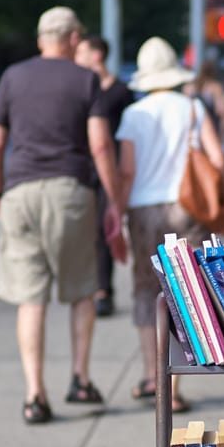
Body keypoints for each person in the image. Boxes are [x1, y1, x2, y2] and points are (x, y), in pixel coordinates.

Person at [0, 6, 123, 425]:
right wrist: (114, 202)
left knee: (31, 298)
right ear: (71, 38)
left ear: (40, 38)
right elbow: (100, 146)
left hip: (20, 192)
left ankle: (34, 395)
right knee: (82, 289)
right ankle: (80, 379)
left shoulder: (12, 76)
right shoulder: (86, 80)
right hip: (69, 192)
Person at [115, 37, 224, 412]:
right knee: (185, 294)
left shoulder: (134, 114)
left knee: (146, 292)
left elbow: (126, 170)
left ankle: (152, 376)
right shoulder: (193, 108)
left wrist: (116, 208)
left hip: (143, 208)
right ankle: (175, 388)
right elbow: (218, 159)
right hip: (187, 206)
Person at [75, 33, 136, 317]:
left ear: (97, 54)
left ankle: (103, 290)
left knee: (103, 229)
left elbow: (127, 137)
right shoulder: (79, 88)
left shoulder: (121, 92)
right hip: (81, 166)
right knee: (82, 230)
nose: (77, 57)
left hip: (108, 167)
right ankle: (87, 287)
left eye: (82, 52)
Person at [194, 60, 224, 137]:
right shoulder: (216, 87)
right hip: (210, 128)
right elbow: (221, 111)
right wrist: (222, 133)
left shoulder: (191, 87)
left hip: (194, 129)